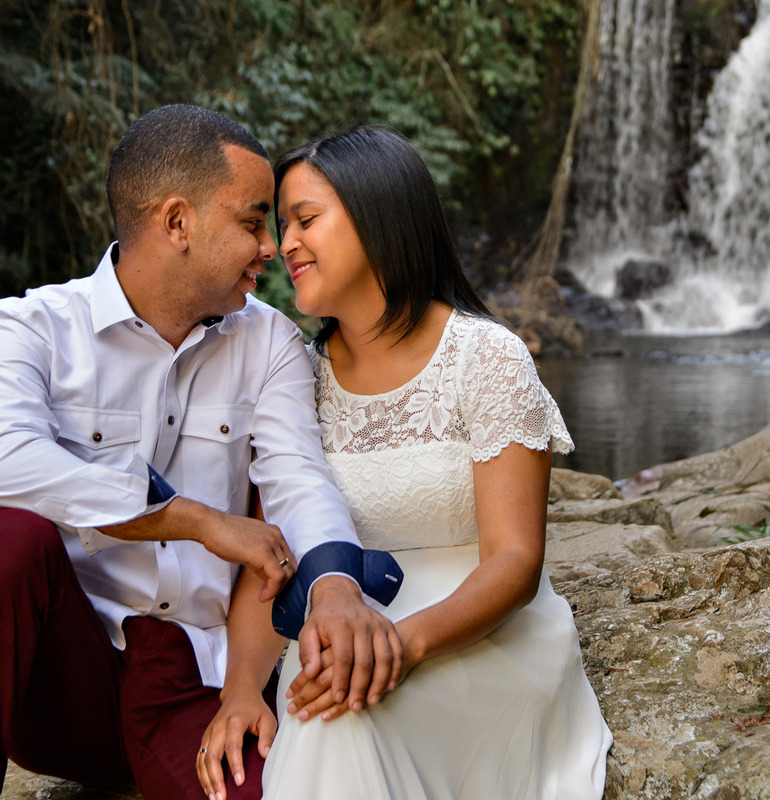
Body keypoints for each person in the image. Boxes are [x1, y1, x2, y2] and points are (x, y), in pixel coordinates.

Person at [0, 105, 402, 800]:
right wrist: (194, 519)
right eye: (253, 223)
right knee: (2, 542)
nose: (272, 249)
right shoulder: (29, 326)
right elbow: (1, 462)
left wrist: (334, 586)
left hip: (193, 689)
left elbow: (297, 478)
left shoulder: (271, 343)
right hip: (61, 681)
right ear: (177, 223)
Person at [252, 126, 613, 799]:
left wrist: (404, 644)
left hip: (481, 636)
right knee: (331, 714)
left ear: (379, 215)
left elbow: (514, 562)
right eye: (281, 224)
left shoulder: (486, 358)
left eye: (305, 219)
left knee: (344, 711)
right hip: (341, 627)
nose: (284, 245)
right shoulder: (295, 376)